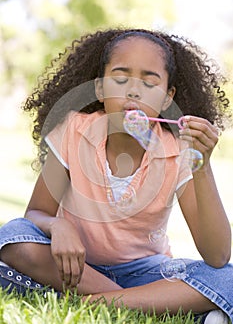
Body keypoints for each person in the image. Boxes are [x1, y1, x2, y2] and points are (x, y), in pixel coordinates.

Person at [0, 28, 232, 323]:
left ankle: (102, 302)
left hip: (145, 273)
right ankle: (150, 308)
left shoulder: (177, 151)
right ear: (100, 89)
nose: (133, 91)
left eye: (149, 83)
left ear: (167, 98)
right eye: (120, 79)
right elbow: (35, 213)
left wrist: (205, 164)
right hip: (73, 265)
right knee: (12, 237)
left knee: (227, 278)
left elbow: (217, 255)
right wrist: (58, 225)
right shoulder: (74, 130)